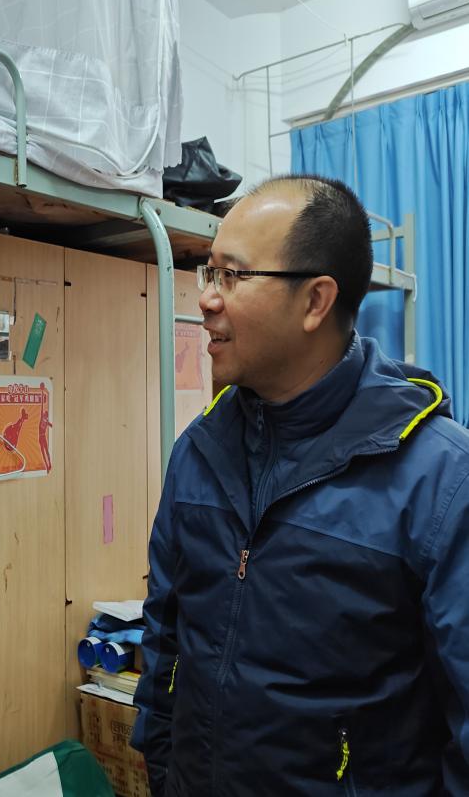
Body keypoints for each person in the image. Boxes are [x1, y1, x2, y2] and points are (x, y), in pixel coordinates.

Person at [131, 174, 469, 795]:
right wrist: (162, 770)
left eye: (232, 275)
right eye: (209, 272)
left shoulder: (440, 480)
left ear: (316, 301)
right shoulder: (199, 451)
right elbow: (164, 638)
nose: (206, 298)